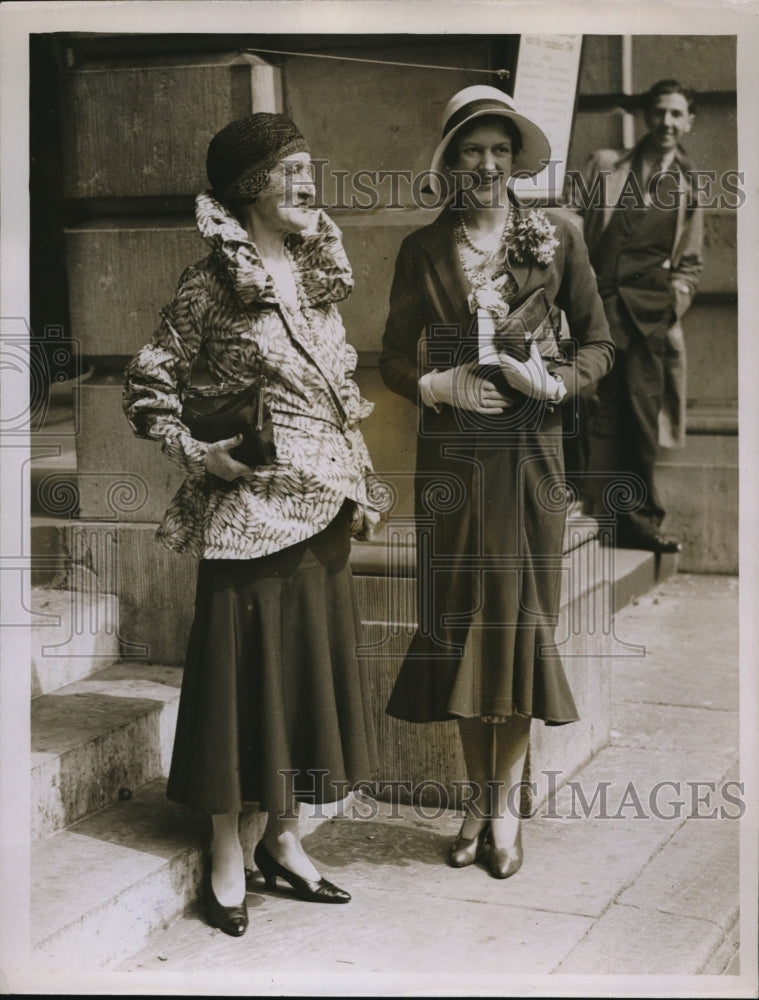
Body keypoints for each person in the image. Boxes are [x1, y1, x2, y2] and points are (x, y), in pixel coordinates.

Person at [123, 112, 379, 936]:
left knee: (304, 680)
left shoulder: (314, 277)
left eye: (311, 166)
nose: (309, 182)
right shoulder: (208, 285)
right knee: (243, 688)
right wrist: (200, 455)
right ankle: (227, 852)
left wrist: (363, 482)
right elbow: (149, 383)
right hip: (250, 517)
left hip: (326, 509)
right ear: (247, 188)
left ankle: (284, 840)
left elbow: (338, 394)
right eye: (291, 169)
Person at [379, 86, 614, 878]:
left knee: (515, 630)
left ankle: (505, 808)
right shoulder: (421, 250)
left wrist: (553, 385)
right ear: (451, 160)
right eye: (471, 150)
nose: (485, 164)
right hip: (450, 466)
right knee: (459, 628)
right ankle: (474, 803)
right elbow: (388, 355)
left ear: (515, 163)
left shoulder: (557, 239)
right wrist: (435, 387)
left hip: (528, 461)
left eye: (499, 151)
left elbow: (601, 345)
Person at [578, 79, 704, 552]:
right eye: (659, 113)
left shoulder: (690, 185)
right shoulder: (608, 166)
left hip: (651, 315)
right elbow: (574, 224)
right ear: (646, 117)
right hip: (599, 306)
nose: (667, 123)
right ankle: (573, 508)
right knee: (580, 399)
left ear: (689, 121)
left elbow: (691, 262)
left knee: (641, 417)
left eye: (676, 114)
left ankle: (638, 522)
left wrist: (673, 303)